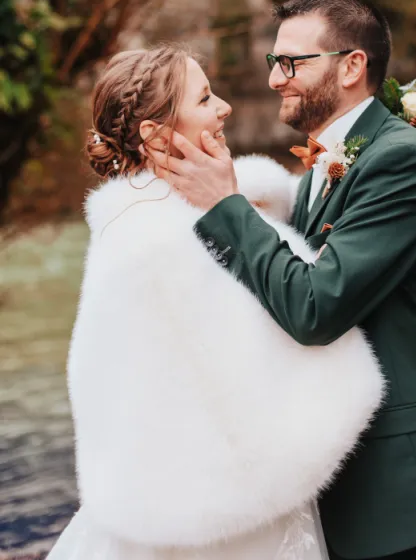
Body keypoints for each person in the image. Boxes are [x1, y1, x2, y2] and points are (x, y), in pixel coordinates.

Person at [145, 0, 416, 560]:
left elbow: (315, 309)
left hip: (387, 482)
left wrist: (228, 207)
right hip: (321, 466)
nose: (276, 78)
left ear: (352, 66)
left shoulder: (403, 162)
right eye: (276, 61)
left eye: (292, 62)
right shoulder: (327, 163)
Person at [47, 44, 385, 560]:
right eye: (205, 98)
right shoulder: (163, 240)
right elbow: (242, 376)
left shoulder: (150, 218)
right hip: (221, 513)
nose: (225, 107)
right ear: (156, 135)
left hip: (182, 494)